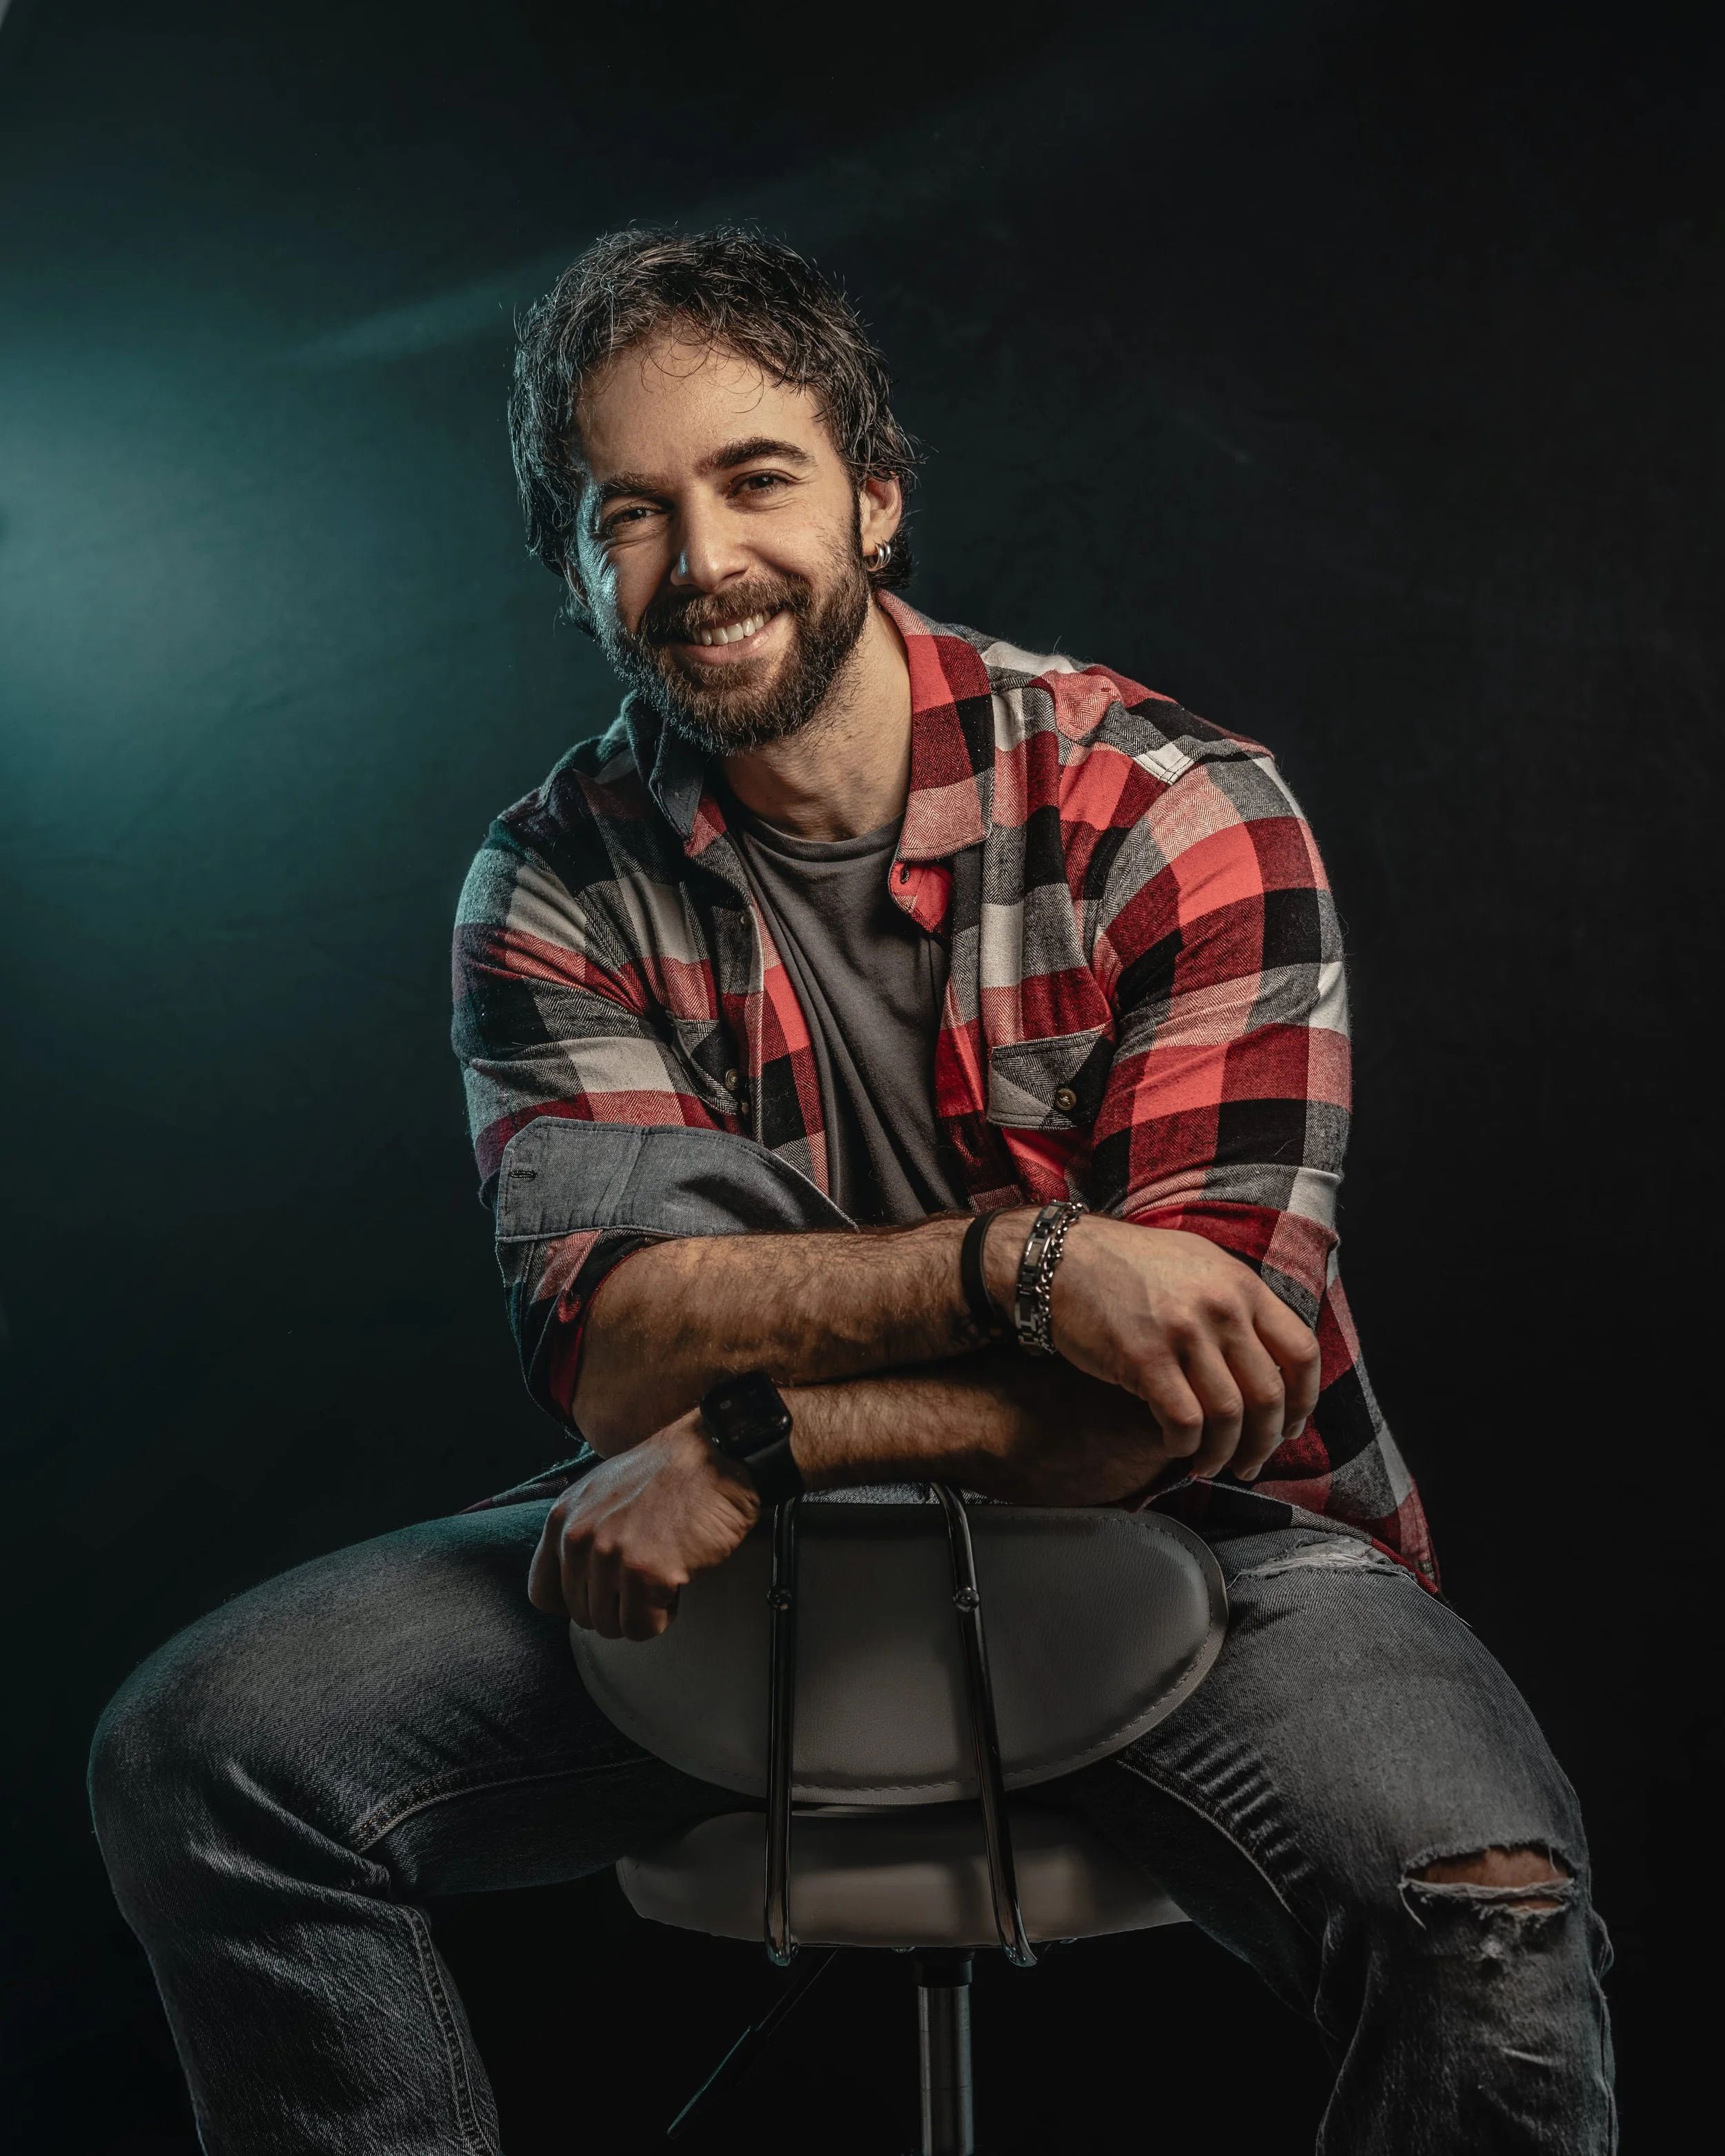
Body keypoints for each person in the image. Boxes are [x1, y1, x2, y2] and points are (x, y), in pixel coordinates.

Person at [90, 228, 1615, 2154]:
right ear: (570, 569)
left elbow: (1196, 1389)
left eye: (753, 478)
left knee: (1482, 1913)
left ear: (875, 498)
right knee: (203, 1756)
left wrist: (751, 1435)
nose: (700, 557)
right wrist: (1029, 1261)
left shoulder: (1173, 804)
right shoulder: (552, 884)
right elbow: (619, 1349)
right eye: (625, 511)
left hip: (1205, 1544)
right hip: (729, 1577)